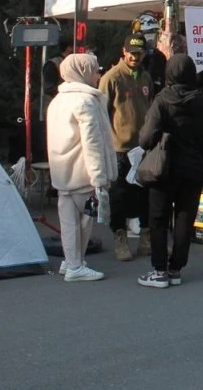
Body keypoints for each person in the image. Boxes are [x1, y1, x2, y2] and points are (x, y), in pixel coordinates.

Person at [136, 55, 203, 289]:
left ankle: (159, 270)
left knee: (158, 219)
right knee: (184, 218)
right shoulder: (202, 102)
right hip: (194, 169)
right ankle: (175, 268)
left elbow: (145, 138)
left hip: (164, 168)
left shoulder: (162, 100)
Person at [46, 53, 116, 282]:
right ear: (84, 72)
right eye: (96, 70)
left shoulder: (57, 100)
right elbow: (92, 142)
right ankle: (76, 264)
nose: (98, 75)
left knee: (67, 222)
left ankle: (71, 261)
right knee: (85, 222)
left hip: (61, 173)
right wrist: (99, 178)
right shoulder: (86, 102)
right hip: (84, 174)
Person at [100, 33, 154, 261]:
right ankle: (120, 238)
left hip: (142, 147)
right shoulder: (111, 77)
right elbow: (101, 114)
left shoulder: (146, 77)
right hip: (119, 148)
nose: (135, 57)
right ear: (124, 52)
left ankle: (145, 237)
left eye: (139, 53)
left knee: (146, 193)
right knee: (119, 195)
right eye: (132, 52)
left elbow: (151, 107)